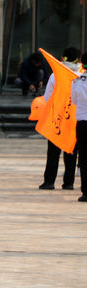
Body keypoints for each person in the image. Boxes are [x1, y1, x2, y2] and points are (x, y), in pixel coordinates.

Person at [38, 47, 81, 191]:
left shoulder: (55, 75)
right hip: (74, 119)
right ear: (78, 60)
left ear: (63, 58)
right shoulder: (81, 75)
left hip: (56, 117)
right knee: (71, 152)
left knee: (53, 152)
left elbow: (47, 97)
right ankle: (68, 183)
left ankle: (49, 182)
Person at [71, 52, 87, 202]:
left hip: (82, 123)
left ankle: (86, 192)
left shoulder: (77, 81)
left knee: (83, 158)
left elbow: (74, 101)